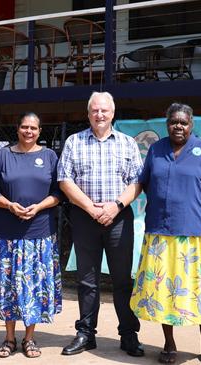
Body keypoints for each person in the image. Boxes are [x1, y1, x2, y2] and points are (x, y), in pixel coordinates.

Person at [129, 103, 201, 364]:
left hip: (196, 235)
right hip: (161, 234)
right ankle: (169, 344)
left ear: (191, 124)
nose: (178, 126)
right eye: (174, 122)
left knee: (200, 290)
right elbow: (147, 184)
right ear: (167, 124)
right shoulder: (156, 149)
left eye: (183, 122)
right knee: (164, 291)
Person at [57, 91, 145, 357]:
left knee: (121, 280)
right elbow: (64, 179)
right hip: (85, 218)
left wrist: (115, 206)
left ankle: (129, 334)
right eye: (95, 110)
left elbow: (138, 182)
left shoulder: (128, 143)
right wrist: (90, 208)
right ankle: (86, 334)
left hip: (118, 218)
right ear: (88, 114)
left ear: (113, 113)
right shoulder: (74, 142)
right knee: (86, 280)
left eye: (104, 110)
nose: (100, 115)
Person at [0, 112, 62, 358]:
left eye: (34, 128)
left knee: (33, 288)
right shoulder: (3, 155)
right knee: (9, 288)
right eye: (24, 127)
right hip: (7, 234)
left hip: (39, 235)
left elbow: (59, 192)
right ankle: (9, 339)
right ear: (17, 129)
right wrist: (8, 204)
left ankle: (29, 339)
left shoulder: (49, 156)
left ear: (40, 131)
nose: (29, 131)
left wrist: (39, 207)